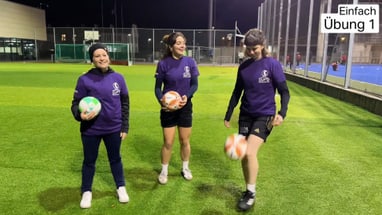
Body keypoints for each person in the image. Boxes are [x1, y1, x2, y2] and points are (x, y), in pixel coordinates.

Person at [224, 29, 290, 211]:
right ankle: (248, 189)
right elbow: (237, 92)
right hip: (246, 115)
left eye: (254, 48)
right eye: (248, 49)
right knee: (244, 155)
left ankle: (251, 194)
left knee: (250, 152)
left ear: (262, 46)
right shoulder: (244, 67)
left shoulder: (272, 65)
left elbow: (284, 91)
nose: (251, 52)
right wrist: (229, 113)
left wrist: (282, 113)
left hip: (265, 115)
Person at [71, 43, 130, 209]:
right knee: (89, 161)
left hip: (114, 128)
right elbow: (75, 104)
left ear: (108, 57)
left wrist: (124, 126)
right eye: (97, 56)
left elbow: (125, 103)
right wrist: (79, 115)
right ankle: (87, 191)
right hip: (91, 130)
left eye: (104, 55)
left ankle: (121, 187)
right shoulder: (84, 79)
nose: (101, 58)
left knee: (115, 159)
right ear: (92, 60)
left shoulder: (118, 78)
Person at [154, 32, 200, 185]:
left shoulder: (190, 62)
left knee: (184, 140)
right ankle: (164, 170)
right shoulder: (163, 64)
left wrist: (186, 96)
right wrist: (162, 100)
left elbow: (194, 85)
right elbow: (157, 88)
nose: (182, 46)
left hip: (185, 107)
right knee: (168, 141)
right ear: (171, 46)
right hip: (168, 109)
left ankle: (185, 168)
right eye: (179, 43)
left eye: (183, 43)